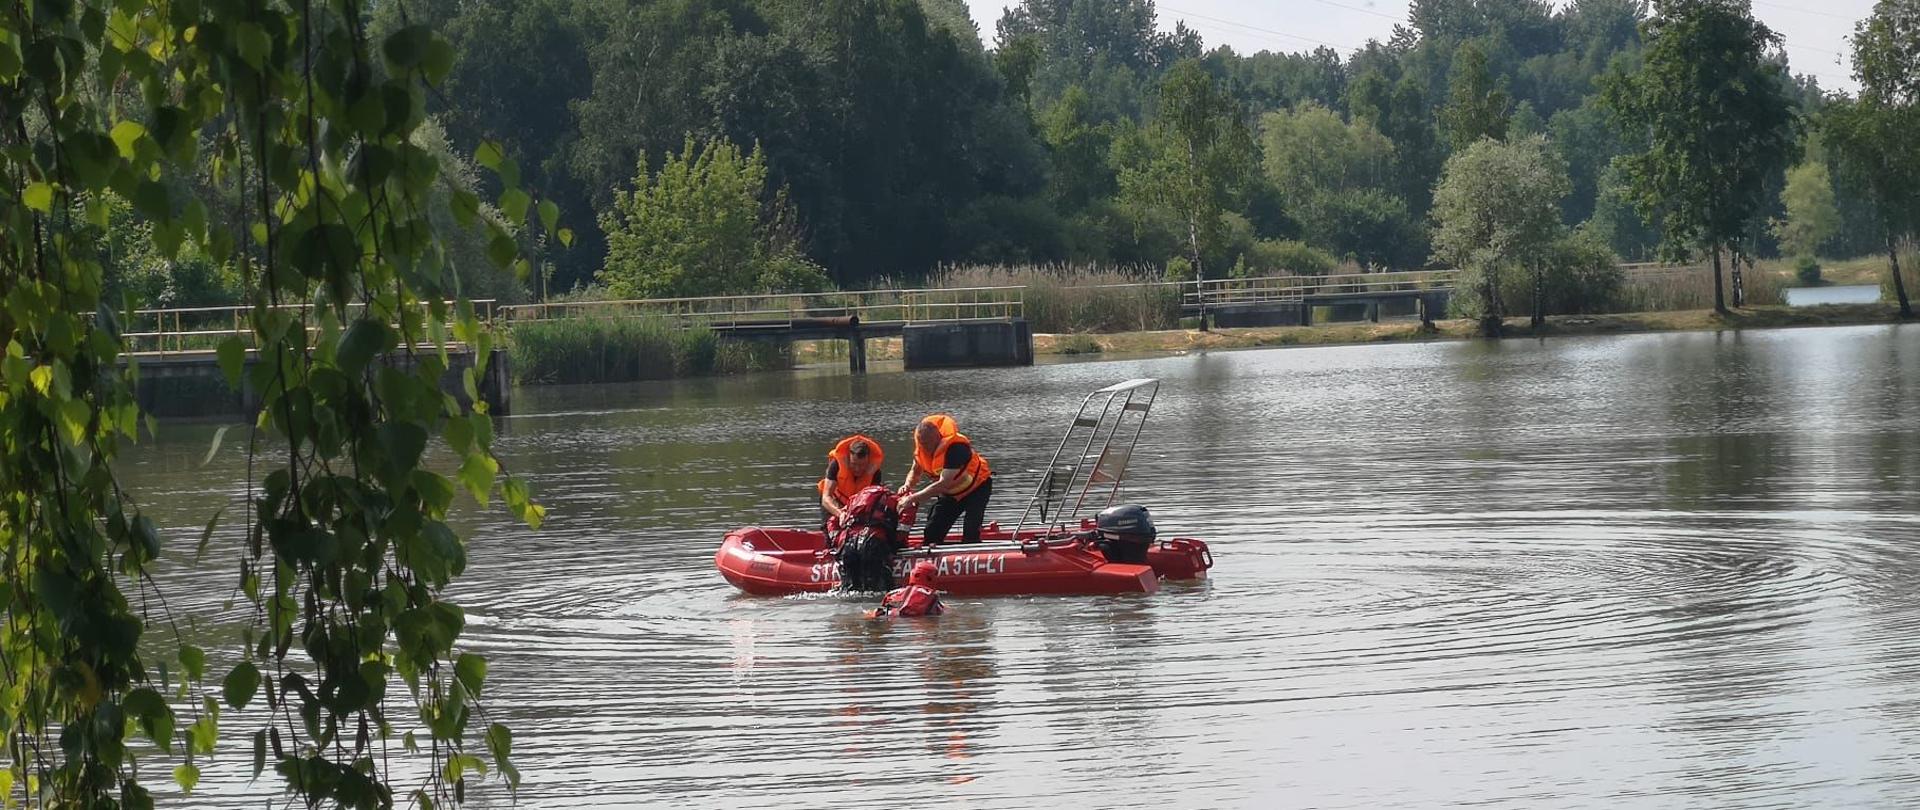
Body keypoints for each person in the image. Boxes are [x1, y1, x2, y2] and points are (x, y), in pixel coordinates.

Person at [899, 415, 992, 546]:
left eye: (928, 442)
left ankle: (972, 549)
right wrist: (907, 485)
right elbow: (915, 471)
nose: (925, 447)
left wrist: (912, 498)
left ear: (938, 437)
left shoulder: (956, 448)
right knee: (932, 532)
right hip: (952, 493)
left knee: (971, 531)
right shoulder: (921, 450)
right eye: (922, 443)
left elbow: (944, 484)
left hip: (977, 487)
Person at [819, 435, 883, 532]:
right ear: (849, 458)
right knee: (831, 532)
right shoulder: (836, 465)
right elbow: (826, 497)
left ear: (868, 460)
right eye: (854, 464)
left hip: (857, 506)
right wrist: (840, 513)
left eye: (862, 465)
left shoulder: (875, 472)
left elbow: (873, 501)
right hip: (834, 502)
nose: (857, 469)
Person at [875, 561, 945, 618]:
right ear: (931, 578)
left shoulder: (892, 593)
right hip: (913, 621)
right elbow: (940, 611)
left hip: (889, 617)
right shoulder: (931, 595)